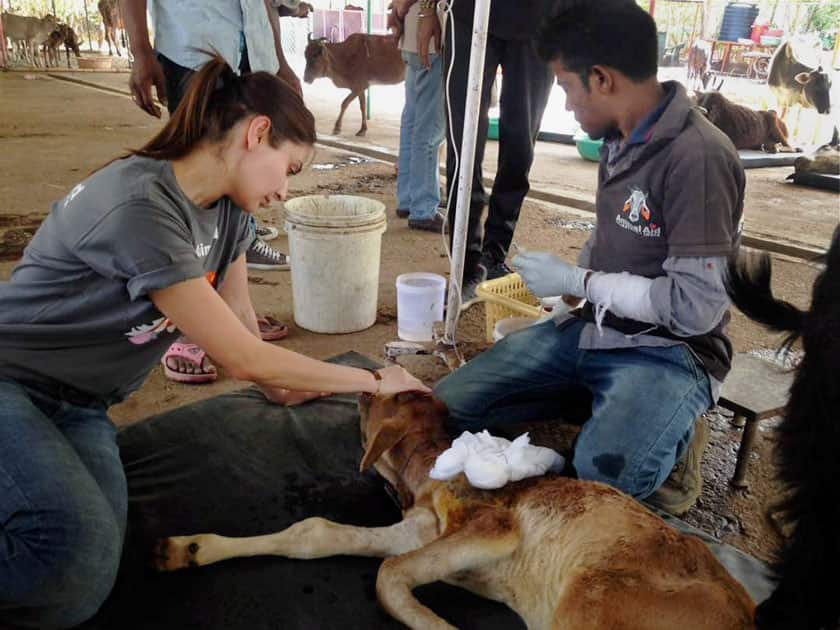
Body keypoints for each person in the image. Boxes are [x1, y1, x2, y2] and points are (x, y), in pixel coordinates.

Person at [0, 57, 429, 630]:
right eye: (289, 169)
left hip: (83, 409)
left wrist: (294, 386)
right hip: (12, 383)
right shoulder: (141, 209)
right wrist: (377, 380)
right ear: (257, 134)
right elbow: (241, 359)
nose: (283, 190)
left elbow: (247, 338)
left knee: (94, 561)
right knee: (68, 568)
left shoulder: (229, 219)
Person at [434, 0, 745, 516]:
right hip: (595, 327)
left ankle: (676, 432)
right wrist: (569, 294)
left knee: (598, 482)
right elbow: (611, 236)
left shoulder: (699, 158)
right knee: (450, 404)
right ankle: (608, 402)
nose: (567, 106)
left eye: (565, 88)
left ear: (600, 79)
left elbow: (695, 309)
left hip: (669, 350)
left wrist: (582, 278)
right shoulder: (619, 137)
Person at [122, 0, 303, 381]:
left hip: (253, 53)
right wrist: (140, 49)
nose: (284, 192)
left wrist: (280, 62)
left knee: (241, 182)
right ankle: (186, 326)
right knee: (197, 185)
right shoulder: (140, 203)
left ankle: (231, 318)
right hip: (190, 49)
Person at [418, 0, 554, 303]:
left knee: (520, 145)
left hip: (540, 22)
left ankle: (494, 254)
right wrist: (428, 10)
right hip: (468, 14)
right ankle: (465, 264)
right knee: (462, 144)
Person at [389, 0, 446, 233]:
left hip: (413, 32)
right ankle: (423, 208)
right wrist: (428, 10)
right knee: (429, 128)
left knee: (413, 123)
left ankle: (408, 199)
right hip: (431, 35)